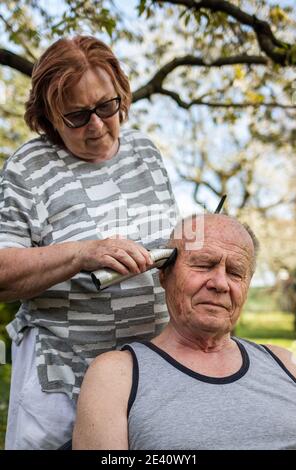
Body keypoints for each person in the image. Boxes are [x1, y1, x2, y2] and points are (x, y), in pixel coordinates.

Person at [0, 35, 177, 450]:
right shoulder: (28, 168)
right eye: (77, 116)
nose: (97, 125)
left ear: (121, 93)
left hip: (146, 371)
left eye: (106, 106)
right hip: (62, 379)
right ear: (49, 117)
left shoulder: (146, 153)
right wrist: (83, 253)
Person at [73, 214, 296, 450]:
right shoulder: (117, 375)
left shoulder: (285, 364)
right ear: (164, 274)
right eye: (203, 265)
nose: (220, 283)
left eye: (235, 272)